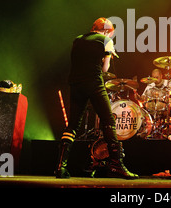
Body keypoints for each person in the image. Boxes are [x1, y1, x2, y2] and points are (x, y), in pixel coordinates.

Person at [55, 17, 138, 179]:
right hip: (93, 83)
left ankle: (60, 167)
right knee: (108, 121)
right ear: (107, 30)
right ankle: (116, 166)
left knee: (72, 125)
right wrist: (106, 54)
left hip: (75, 84)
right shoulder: (106, 40)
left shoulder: (77, 40)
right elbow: (105, 68)